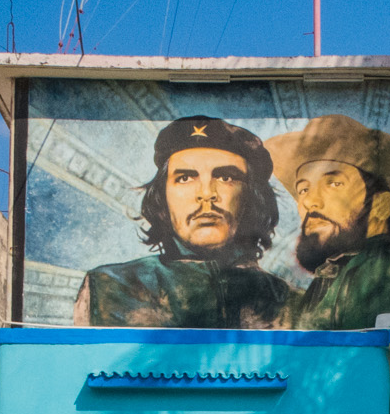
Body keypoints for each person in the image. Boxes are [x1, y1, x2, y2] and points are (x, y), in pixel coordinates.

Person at [76, 115, 295, 328]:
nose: (206, 194)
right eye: (185, 178)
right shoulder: (111, 287)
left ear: (252, 198)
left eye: (226, 177)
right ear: (162, 198)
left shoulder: (293, 304)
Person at [265, 115, 390, 329]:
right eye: (303, 189)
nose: (310, 201)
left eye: (334, 184)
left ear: (380, 205)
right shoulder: (331, 274)